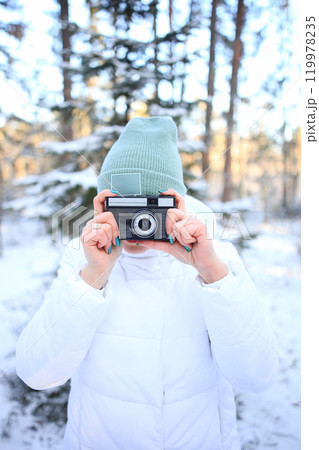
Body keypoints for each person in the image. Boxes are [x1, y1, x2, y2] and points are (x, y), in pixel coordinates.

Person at [16, 116, 278, 450]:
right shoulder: (82, 260)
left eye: (150, 206)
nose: (138, 222)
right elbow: (36, 373)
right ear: (103, 203)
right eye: (122, 205)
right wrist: (92, 278)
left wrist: (211, 272)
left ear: (175, 204)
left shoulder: (215, 257)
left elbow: (257, 377)